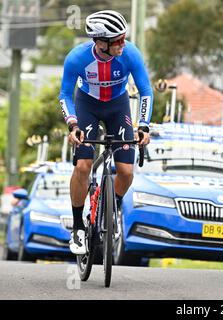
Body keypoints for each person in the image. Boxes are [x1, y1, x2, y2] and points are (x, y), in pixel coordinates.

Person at [59, 10, 153, 254]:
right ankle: (78, 226)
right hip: (87, 105)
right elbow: (65, 95)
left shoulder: (130, 53)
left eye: (123, 38)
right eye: (117, 41)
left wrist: (143, 126)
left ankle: (111, 209)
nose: (123, 44)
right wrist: (73, 125)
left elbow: (146, 91)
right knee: (83, 165)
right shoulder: (76, 59)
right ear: (100, 43)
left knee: (126, 171)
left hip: (117, 105)